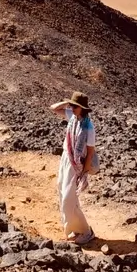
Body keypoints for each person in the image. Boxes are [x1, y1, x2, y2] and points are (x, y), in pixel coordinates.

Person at [50, 91, 96, 245]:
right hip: (66, 159)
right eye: (73, 105)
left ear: (82, 108)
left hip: (76, 165)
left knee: (69, 197)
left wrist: (84, 172)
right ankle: (74, 228)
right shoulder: (73, 117)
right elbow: (54, 108)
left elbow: (90, 153)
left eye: (76, 106)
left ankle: (86, 232)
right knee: (62, 192)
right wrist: (67, 102)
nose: (73, 108)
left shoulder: (88, 127)